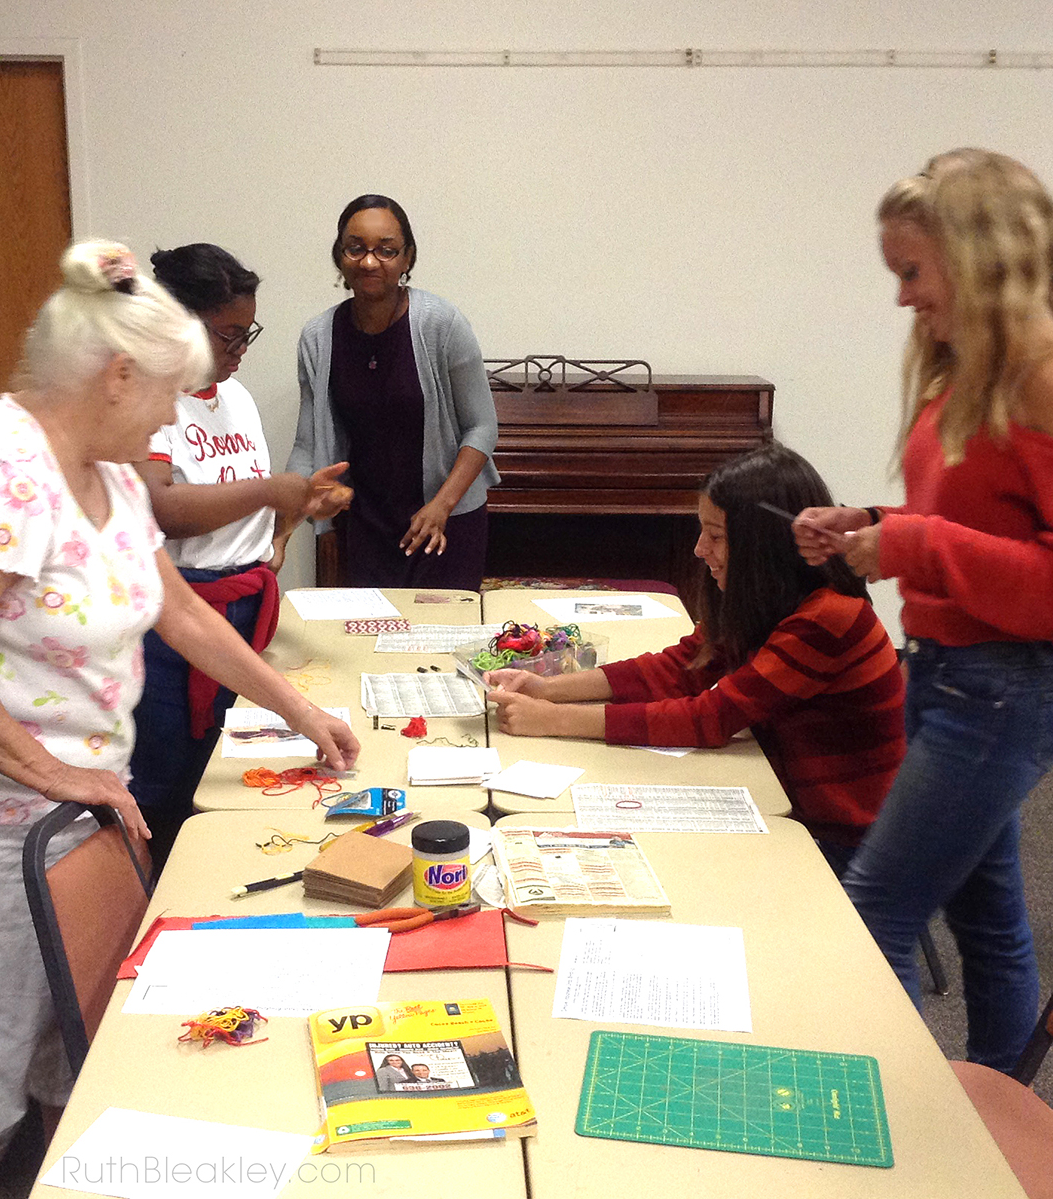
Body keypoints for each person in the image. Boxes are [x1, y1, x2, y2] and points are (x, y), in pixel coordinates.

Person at [0, 240, 360, 1198]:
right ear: (117, 377)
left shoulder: (101, 469)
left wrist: (299, 706)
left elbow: (175, 606)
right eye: (164, 395)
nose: (171, 416)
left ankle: (66, 1168)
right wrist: (52, 770)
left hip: (82, 805)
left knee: (79, 1025)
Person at [793, 148, 1053, 1072]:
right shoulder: (966, 373)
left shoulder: (1040, 379)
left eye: (912, 271)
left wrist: (908, 546)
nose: (903, 297)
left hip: (1000, 690)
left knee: (874, 913)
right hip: (944, 673)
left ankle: (917, 1134)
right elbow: (965, 525)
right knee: (990, 923)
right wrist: (872, 520)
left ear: (977, 255)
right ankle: (1001, 1115)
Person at [487, 443, 906, 872]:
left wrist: (552, 720)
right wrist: (547, 689)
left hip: (847, 840)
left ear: (765, 544)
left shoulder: (828, 618)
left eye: (717, 536)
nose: (699, 549)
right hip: (790, 804)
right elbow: (679, 667)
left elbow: (710, 717)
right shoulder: (761, 598)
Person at [128, 242, 349, 870]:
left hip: (244, 605)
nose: (240, 348)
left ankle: (218, 875)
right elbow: (160, 508)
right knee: (172, 776)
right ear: (180, 323)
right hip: (179, 616)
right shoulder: (151, 399)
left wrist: (294, 514)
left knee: (233, 766)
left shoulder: (237, 397)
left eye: (247, 332)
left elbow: (245, 507)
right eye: (228, 335)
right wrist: (270, 490)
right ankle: (154, 891)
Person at [286, 194, 500, 590]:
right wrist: (285, 519)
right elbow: (307, 443)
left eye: (386, 250)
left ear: (407, 258)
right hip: (366, 525)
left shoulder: (441, 323)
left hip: (445, 523)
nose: (369, 262)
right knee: (370, 644)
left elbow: (483, 427)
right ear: (339, 255)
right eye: (356, 248)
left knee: (445, 642)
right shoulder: (317, 337)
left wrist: (441, 506)